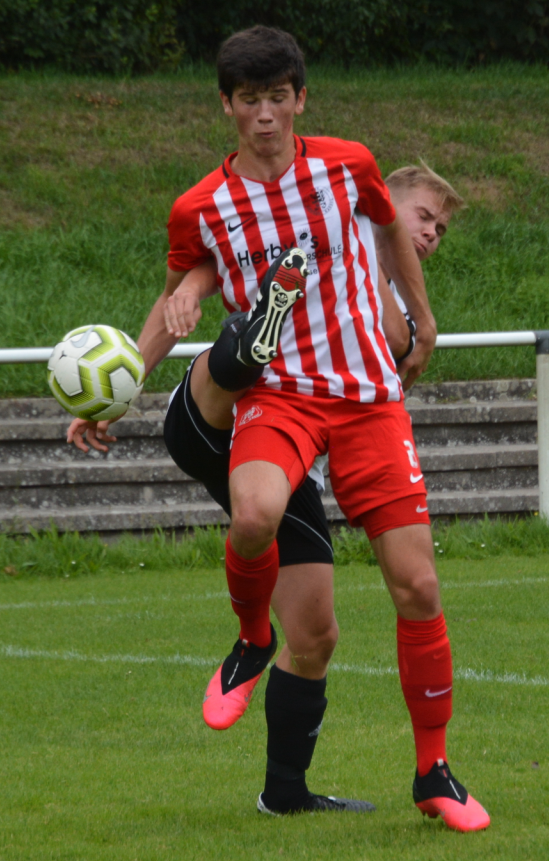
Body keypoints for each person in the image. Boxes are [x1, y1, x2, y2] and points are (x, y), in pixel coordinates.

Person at [68, 26, 487, 831]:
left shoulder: (347, 164)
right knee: (255, 513)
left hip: (367, 394)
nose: (264, 114)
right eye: (248, 100)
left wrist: (423, 320)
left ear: (299, 98)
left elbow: (392, 228)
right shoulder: (201, 206)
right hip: (280, 396)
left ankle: (432, 770)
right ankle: (251, 637)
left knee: (419, 584)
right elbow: (173, 301)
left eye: (277, 97)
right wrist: (112, 394)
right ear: (226, 105)